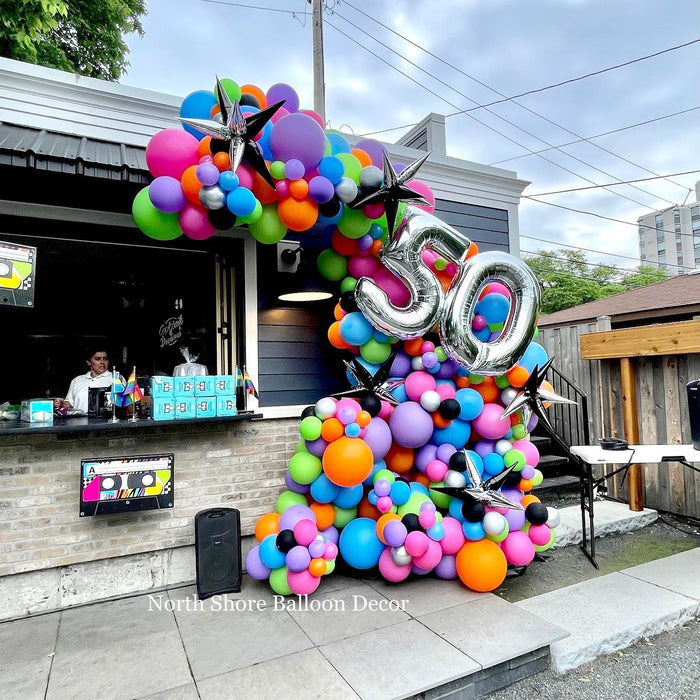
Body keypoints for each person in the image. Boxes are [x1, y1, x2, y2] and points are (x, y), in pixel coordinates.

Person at [54, 349, 115, 414]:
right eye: (98, 359)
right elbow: (70, 404)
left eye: (105, 359)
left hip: (105, 422)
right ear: (88, 362)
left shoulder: (115, 378)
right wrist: (62, 404)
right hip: (79, 422)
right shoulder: (77, 380)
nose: (102, 362)